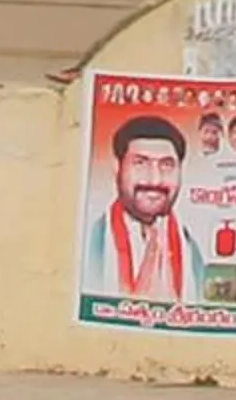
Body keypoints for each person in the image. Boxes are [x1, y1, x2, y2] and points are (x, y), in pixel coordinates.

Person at [78, 115, 206, 303]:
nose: (154, 179)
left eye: (166, 165)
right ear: (117, 167)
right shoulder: (88, 240)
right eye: (140, 163)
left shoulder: (193, 251)